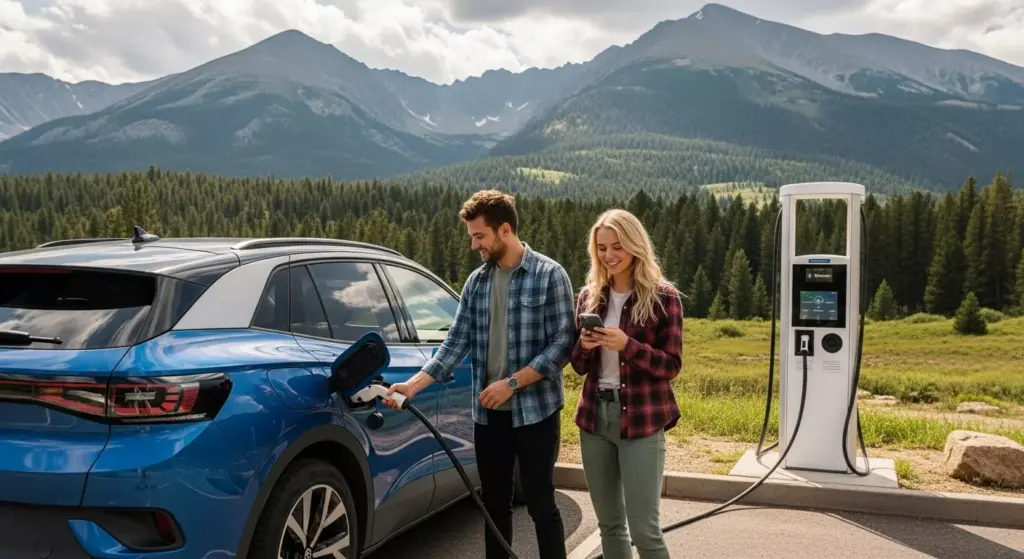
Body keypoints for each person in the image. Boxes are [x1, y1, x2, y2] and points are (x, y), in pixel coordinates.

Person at [384, 189, 576, 559]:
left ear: (504, 230)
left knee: (540, 505)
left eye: (479, 236)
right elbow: (454, 344)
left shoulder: (550, 275)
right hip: (489, 417)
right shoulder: (477, 283)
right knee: (494, 506)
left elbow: (562, 345)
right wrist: (412, 385)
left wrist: (512, 383)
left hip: (536, 412)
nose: (475, 245)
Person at [569, 208, 683, 559]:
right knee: (610, 527)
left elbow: (672, 365)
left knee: (644, 530)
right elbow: (577, 366)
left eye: (617, 246)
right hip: (594, 418)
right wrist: (584, 347)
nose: (609, 255)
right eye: (602, 248)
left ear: (635, 246)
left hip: (642, 421)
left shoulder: (665, 298)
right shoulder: (589, 297)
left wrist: (628, 346)